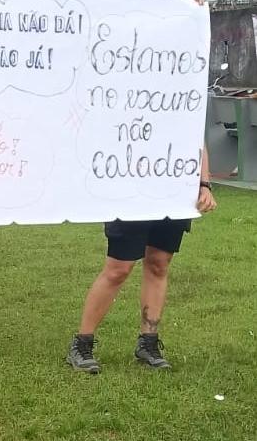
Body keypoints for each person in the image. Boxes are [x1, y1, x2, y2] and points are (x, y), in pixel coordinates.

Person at [66, 149, 217, 374]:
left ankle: (148, 343)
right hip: (129, 189)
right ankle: (81, 344)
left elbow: (196, 135)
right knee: (119, 268)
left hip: (173, 189)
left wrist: (204, 184)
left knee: (159, 264)